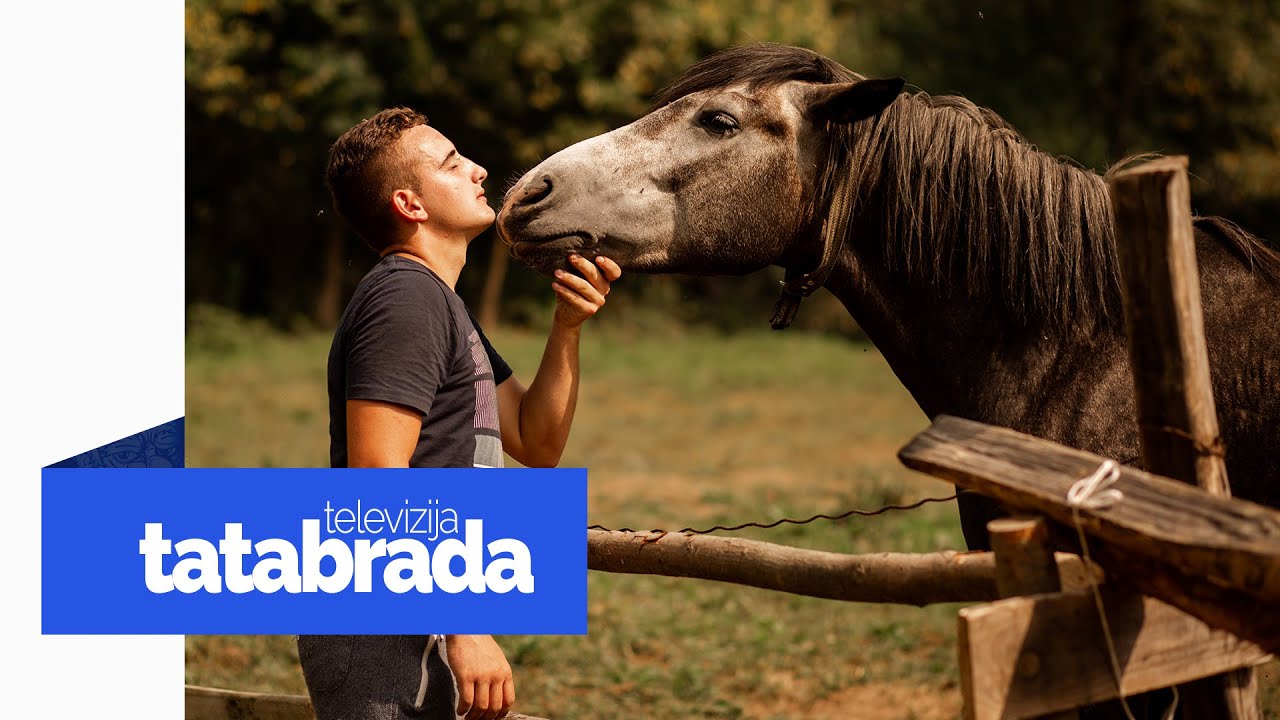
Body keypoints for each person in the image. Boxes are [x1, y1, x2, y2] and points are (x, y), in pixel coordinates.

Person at [297, 107, 620, 720]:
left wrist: (568, 327)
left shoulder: (439, 304)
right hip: (387, 630)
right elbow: (375, 477)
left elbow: (536, 440)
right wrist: (465, 628)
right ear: (410, 205)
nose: (479, 170)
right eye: (451, 164)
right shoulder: (406, 298)